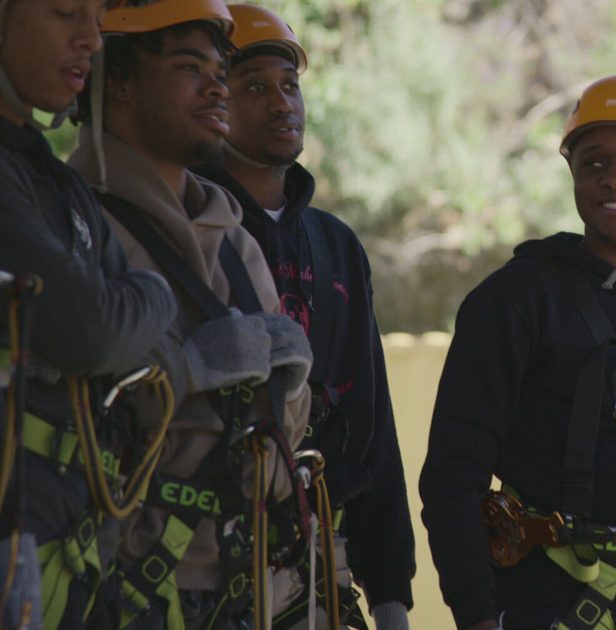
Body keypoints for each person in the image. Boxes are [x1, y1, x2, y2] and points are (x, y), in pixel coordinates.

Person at [420, 74, 616, 629]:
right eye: (593, 162)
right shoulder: (517, 302)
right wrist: (477, 618)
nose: (614, 177)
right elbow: (453, 478)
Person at [68, 1, 312, 627]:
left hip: (249, 582)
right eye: (188, 66)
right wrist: (184, 371)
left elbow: (282, 462)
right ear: (117, 81)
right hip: (117, 583)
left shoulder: (236, 243)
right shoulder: (75, 229)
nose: (217, 85)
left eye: (219, 68)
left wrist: (286, 393)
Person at [191, 4, 415, 628]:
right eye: (254, 87)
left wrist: (390, 589)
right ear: (215, 99)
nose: (281, 103)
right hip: (205, 555)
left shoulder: (337, 244)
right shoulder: (186, 229)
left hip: (323, 561)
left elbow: (373, 417)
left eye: (289, 86)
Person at [0, 0, 179, 628]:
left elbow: (164, 365)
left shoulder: (57, 184)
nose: (92, 41)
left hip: (68, 551)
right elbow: (89, 330)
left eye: (96, 20)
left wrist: (128, 314)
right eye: (65, 12)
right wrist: (153, 299)